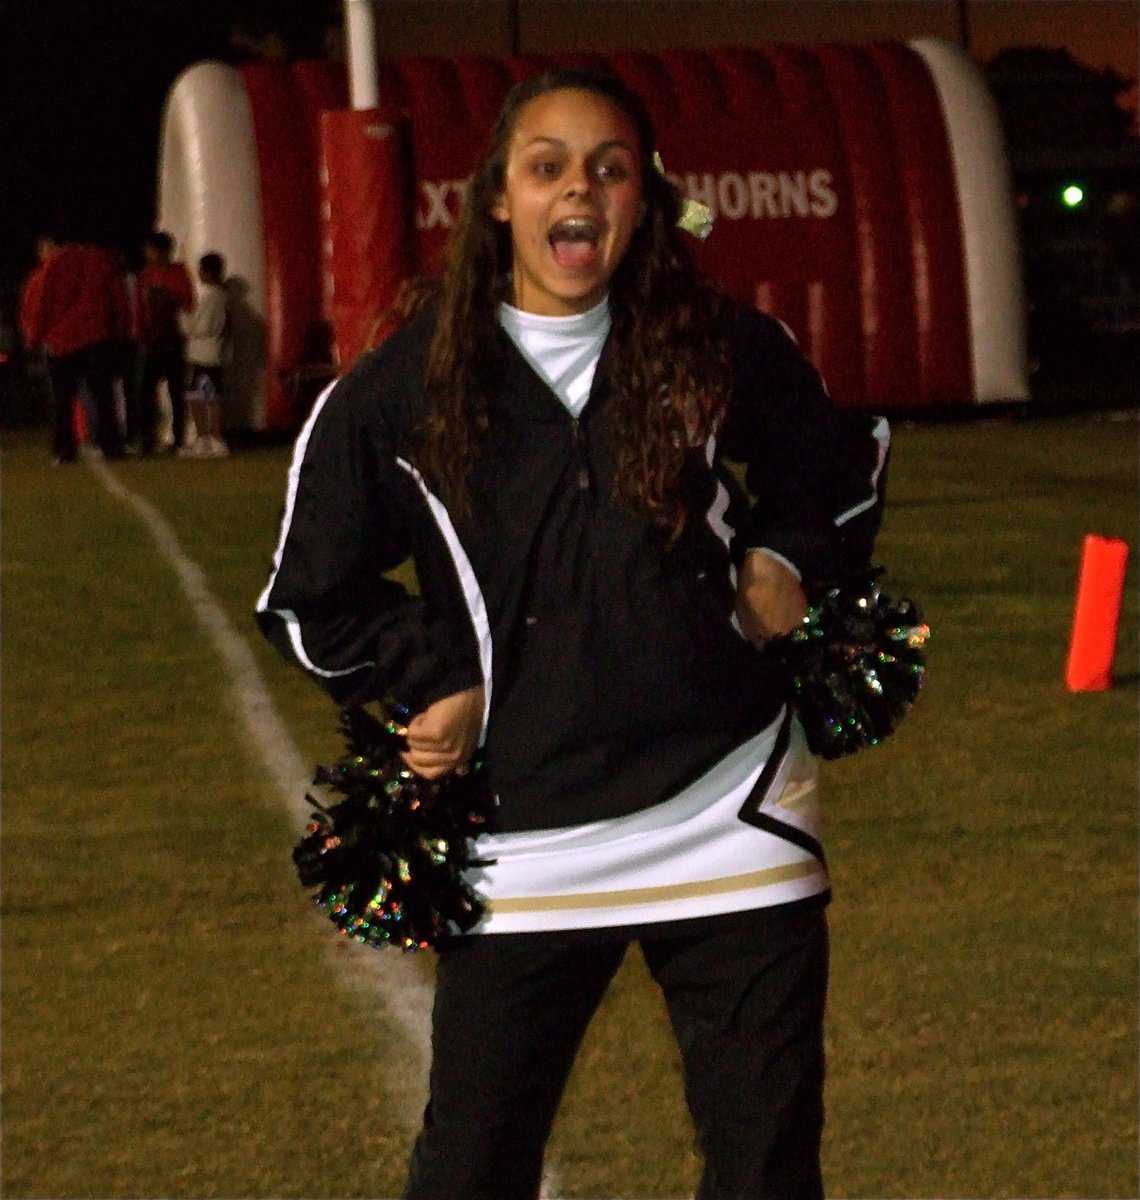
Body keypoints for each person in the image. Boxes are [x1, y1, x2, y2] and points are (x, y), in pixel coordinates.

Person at [258, 69, 841, 1199]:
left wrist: (785, 559)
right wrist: (437, 676)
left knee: (767, 1167)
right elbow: (310, 592)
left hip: (735, 807)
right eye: (548, 166)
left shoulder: (719, 344)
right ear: (498, 202)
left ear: (645, 201)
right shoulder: (401, 390)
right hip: (522, 840)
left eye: (611, 167)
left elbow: (836, 462)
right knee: (472, 1168)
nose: (582, 186)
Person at [19, 232, 131, 462]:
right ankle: (111, 446)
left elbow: (41, 305)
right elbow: (117, 296)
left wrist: (34, 338)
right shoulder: (98, 259)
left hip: (61, 342)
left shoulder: (50, 267)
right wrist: (119, 329)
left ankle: (64, 449)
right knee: (103, 396)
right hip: (97, 337)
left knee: (63, 401)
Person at [132, 230, 194, 454]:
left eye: (150, 249)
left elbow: (188, 301)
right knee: (144, 393)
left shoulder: (177, 272)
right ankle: (146, 439)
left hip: (171, 340)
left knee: (176, 392)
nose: (146, 253)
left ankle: (178, 438)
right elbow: (139, 308)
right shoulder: (146, 274)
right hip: (149, 341)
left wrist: (163, 295)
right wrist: (139, 335)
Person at [179, 252, 230, 458]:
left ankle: (210, 439)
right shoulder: (220, 295)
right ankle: (208, 439)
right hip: (211, 354)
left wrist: (181, 316)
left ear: (208, 272)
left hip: (204, 355)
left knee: (200, 397)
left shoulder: (210, 295)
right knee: (207, 395)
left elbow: (197, 326)